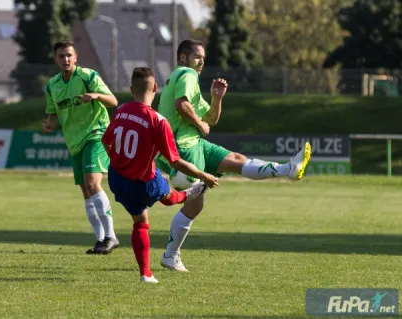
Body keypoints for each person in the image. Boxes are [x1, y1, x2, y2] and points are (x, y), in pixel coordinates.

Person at [155, 39, 312, 272]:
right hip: (181, 147)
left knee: (236, 160)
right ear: (182, 58)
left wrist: (217, 98)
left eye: (203, 58)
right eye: (197, 56)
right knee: (195, 204)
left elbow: (209, 121)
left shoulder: (180, 78)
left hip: (193, 143)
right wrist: (199, 123)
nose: (201, 62)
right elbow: (181, 105)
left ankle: (287, 169)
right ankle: (170, 254)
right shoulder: (187, 74)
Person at [101, 67, 219, 283]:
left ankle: (146, 274)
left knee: (140, 220)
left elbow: (105, 141)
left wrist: (119, 160)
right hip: (141, 182)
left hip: (116, 178)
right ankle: (187, 195)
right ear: (155, 88)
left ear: (131, 89)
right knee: (169, 197)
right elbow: (175, 161)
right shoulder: (158, 121)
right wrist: (204, 175)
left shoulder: (120, 111)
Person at [42, 41, 120, 255]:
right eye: (61, 56)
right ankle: (100, 239)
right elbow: (54, 116)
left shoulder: (88, 77)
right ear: (56, 59)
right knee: (86, 190)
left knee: (92, 183)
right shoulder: (52, 86)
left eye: (69, 55)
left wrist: (95, 96)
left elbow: (113, 100)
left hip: (96, 134)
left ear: (75, 57)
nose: (65, 59)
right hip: (74, 141)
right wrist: (49, 124)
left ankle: (111, 235)